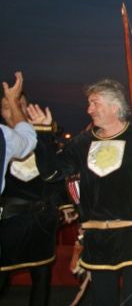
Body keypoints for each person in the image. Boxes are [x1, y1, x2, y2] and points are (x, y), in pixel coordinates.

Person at [30, 79, 132, 306]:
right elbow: (51, 174)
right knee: (102, 299)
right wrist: (43, 135)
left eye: (94, 103)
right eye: (89, 103)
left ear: (114, 106)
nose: (89, 109)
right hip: (98, 237)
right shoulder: (82, 142)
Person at [0, 91, 69, 306]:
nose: (12, 109)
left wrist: (64, 204)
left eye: (19, 104)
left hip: (40, 220)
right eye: (6, 105)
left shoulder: (41, 138)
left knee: (41, 276)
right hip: (8, 221)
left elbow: (55, 174)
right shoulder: (4, 140)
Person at [1, 72, 37, 194]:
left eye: (18, 105)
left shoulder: (44, 138)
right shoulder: (4, 136)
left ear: (28, 108)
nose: (14, 111)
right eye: (7, 107)